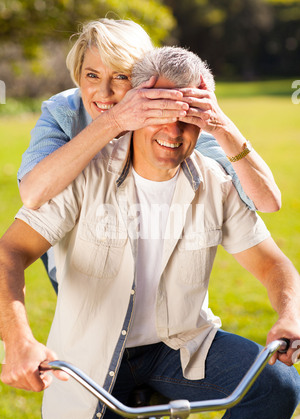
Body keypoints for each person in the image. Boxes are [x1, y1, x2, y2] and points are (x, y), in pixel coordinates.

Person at [1, 46, 299, 419]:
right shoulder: (83, 173)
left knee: (276, 384)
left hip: (181, 346)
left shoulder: (213, 181)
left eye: (188, 119)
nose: (173, 133)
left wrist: (290, 315)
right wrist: (18, 342)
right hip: (86, 359)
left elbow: (272, 263)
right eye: (159, 113)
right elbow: (10, 252)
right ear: (136, 110)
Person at [16, 18, 281, 292]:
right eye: (92, 75)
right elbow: (33, 193)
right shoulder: (64, 111)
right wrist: (114, 122)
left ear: (146, 81)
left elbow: (266, 201)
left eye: (121, 76)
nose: (104, 93)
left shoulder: (171, 126)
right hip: (71, 259)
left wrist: (224, 127)